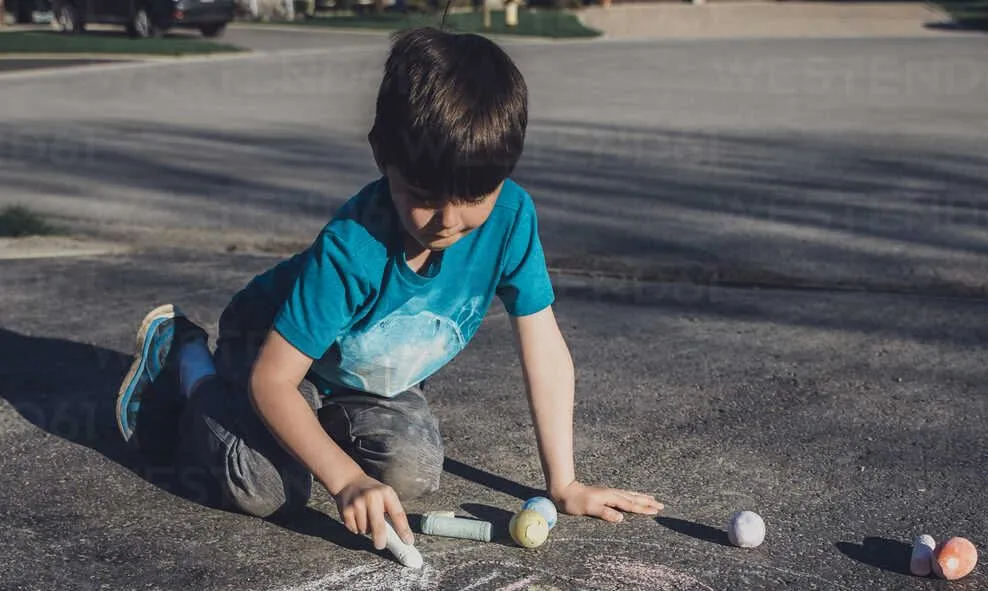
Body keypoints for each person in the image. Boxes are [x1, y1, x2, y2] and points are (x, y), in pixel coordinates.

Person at [114, 27, 662, 553]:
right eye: (423, 194)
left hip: (358, 378)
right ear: (383, 156)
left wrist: (563, 484)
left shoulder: (512, 218)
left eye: (473, 196)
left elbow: (543, 347)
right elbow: (274, 381)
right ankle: (185, 359)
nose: (447, 220)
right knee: (264, 487)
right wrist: (346, 479)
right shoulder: (353, 246)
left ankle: (316, 421)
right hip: (270, 351)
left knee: (413, 474)